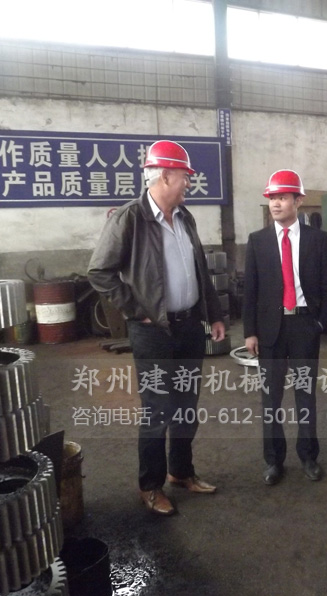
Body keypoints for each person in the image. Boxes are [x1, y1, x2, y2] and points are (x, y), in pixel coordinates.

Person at [88, 140, 225, 516]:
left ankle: (181, 471)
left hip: (189, 327)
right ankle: (150, 485)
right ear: (164, 176)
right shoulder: (130, 218)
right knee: (157, 409)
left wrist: (213, 315)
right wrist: (137, 311)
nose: (188, 184)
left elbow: (200, 271)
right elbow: (99, 271)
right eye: (184, 177)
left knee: (186, 405)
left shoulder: (185, 218)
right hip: (153, 332)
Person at [243, 169, 327, 486]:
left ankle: (308, 457)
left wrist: (320, 322)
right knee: (270, 398)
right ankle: (273, 461)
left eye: (282, 197)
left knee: (305, 394)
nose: (275, 204)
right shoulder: (257, 241)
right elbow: (250, 291)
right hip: (270, 329)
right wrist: (250, 332)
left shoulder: (317, 240)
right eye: (272, 198)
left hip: (304, 326)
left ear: (298, 200)